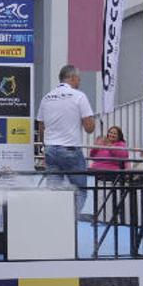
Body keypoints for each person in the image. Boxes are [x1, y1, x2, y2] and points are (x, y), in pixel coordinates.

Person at [37, 65, 95, 214]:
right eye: (78, 78)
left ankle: (56, 223)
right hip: (70, 149)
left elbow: (41, 127)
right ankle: (71, 222)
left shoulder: (47, 97)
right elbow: (90, 128)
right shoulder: (79, 96)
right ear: (71, 77)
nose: (79, 81)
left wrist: (45, 147)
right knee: (80, 190)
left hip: (50, 149)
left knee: (54, 191)